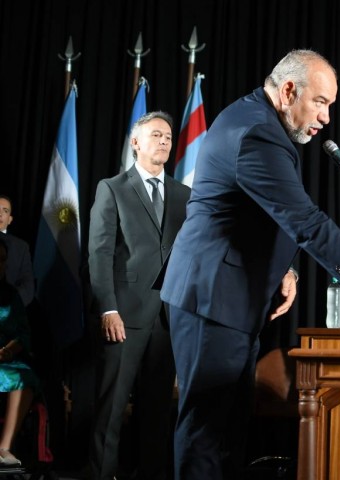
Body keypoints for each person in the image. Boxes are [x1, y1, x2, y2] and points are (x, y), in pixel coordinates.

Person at [159, 49, 340, 479]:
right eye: (320, 102)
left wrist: (287, 270)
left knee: (229, 433)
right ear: (289, 90)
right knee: (207, 434)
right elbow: (305, 221)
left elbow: (264, 213)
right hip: (211, 297)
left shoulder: (258, 120)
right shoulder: (256, 132)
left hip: (227, 298)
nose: (326, 117)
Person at [88, 111, 191, 480]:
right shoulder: (112, 188)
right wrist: (108, 309)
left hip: (168, 319)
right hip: (124, 316)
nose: (164, 141)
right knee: (112, 409)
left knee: (157, 411)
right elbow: (99, 252)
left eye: (168, 137)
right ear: (135, 143)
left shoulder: (184, 195)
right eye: (156, 135)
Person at [0, 237, 40, 467]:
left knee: (24, 377)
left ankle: (4, 448)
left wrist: (9, 350)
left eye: (3, 260)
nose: (0, 265)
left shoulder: (11, 295)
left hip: (6, 358)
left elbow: (24, 332)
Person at [0, 195, 34, 307]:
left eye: (5, 211)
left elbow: (28, 286)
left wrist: (9, 303)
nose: (0, 214)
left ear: (10, 219)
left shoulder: (21, 247)